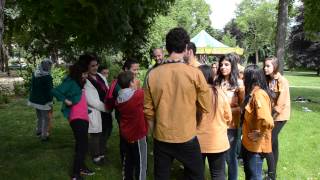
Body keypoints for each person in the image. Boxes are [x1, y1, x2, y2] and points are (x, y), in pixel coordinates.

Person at [144, 27, 211, 180]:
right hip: (187, 136)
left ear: (167, 47)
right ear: (187, 48)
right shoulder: (195, 74)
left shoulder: (152, 74)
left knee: (161, 176)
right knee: (196, 175)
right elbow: (206, 106)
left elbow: (148, 110)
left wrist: (155, 132)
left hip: (161, 137)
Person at [51, 55, 94, 180]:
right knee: (83, 145)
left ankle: (81, 167)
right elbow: (54, 91)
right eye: (85, 73)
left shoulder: (80, 82)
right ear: (79, 73)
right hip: (76, 117)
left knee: (82, 144)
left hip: (83, 116)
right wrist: (65, 100)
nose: (86, 76)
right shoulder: (71, 82)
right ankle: (75, 175)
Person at [197, 65, 232, 180]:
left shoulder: (193, 93)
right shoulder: (220, 92)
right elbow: (228, 116)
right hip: (218, 141)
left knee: (196, 174)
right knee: (218, 174)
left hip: (197, 142)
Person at [241, 64, 274, 180]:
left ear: (251, 78)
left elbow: (268, 121)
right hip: (248, 145)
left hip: (256, 148)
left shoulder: (259, 95)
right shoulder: (252, 94)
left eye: (244, 77)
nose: (243, 79)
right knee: (249, 175)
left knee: (254, 176)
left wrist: (260, 134)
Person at [215, 53, 244, 180]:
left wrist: (227, 110)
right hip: (216, 125)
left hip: (231, 125)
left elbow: (243, 107)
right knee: (218, 155)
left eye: (226, 64)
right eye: (221, 65)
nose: (222, 67)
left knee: (230, 156)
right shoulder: (216, 82)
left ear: (233, 66)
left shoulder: (239, 83)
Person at [115, 71, 148, 180]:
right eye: (135, 79)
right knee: (141, 162)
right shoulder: (137, 95)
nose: (137, 80)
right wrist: (138, 86)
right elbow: (147, 92)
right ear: (131, 83)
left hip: (126, 134)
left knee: (128, 159)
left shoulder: (119, 98)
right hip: (137, 134)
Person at [264, 56, 291, 178]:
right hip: (271, 115)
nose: (265, 68)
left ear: (275, 67)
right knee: (274, 144)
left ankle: (271, 175)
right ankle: (272, 172)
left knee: (268, 142)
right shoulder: (268, 80)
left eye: (268, 66)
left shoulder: (282, 81)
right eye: (265, 65)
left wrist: (270, 117)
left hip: (279, 116)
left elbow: (281, 104)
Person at [84, 55, 112, 165]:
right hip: (97, 110)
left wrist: (110, 102)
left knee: (106, 130)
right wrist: (107, 108)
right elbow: (91, 100)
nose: (95, 68)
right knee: (96, 134)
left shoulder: (100, 76)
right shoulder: (86, 80)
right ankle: (96, 156)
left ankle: (102, 153)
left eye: (96, 65)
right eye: (92, 66)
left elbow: (107, 90)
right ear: (87, 67)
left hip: (106, 109)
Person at [28, 58, 53, 141]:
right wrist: (51, 101)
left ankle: (38, 131)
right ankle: (44, 135)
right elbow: (49, 91)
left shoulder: (35, 73)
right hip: (43, 101)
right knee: (46, 118)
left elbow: (32, 87)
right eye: (49, 65)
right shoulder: (47, 77)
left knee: (39, 116)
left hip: (35, 99)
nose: (50, 67)